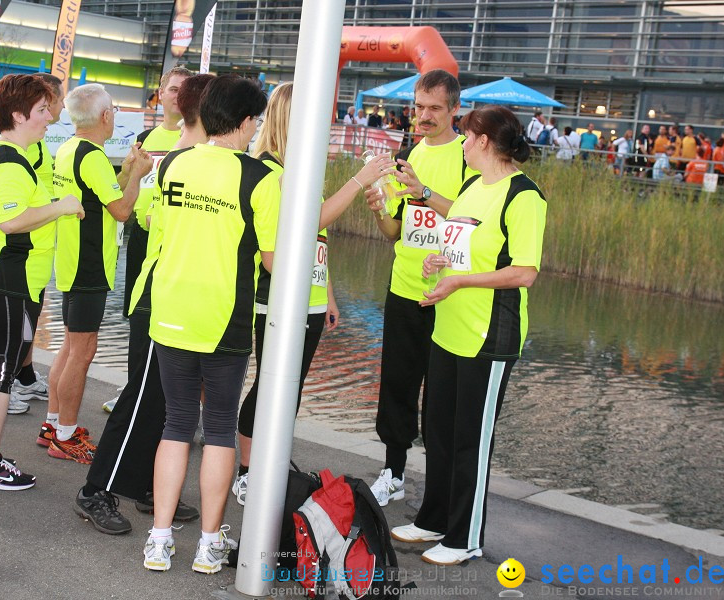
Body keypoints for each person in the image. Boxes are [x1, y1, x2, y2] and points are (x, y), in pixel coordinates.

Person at [390, 104, 546, 566]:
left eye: (467, 134)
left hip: (488, 336)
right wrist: (439, 262)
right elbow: (457, 236)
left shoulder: (524, 197)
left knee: (469, 441)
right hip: (449, 329)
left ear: (483, 141)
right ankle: (434, 519)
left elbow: (525, 272)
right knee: (437, 430)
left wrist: (461, 281)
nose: (462, 142)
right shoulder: (474, 186)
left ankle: (465, 536)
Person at [142, 75, 280, 574]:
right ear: (244, 122)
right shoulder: (260, 178)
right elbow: (272, 259)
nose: (256, 128)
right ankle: (207, 545)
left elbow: (158, 224)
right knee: (220, 428)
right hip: (224, 317)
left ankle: (158, 541)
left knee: (176, 423)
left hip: (171, 308)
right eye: (256, 120)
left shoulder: (176, 161)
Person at [232, 82, 394, 506]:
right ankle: (248, 471)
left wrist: (330, 294)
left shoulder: (299, 169)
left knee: (293, 386)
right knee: (269, 385)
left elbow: (318, 237)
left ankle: (272, 462)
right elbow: (308, 222)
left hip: (312, 296)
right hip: (277, 295)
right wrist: (359, 180)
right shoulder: (268, 169)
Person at [74, 73, 214, 536]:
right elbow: (138, 214)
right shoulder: (174, 158)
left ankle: (150, 485)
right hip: (158, 293)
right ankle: (96, 490)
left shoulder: (201, 158)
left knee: (167, 402)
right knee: (140, 397)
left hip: (184, 295)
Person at [0, 74, 84, 490]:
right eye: (42, 111)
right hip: (7, 280)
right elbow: (10, 220)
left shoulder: (15, 153)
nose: (49, 118)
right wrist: (61, 206)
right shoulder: (8, 160)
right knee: (0, 373)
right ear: (19, 115)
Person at [363, 69, 477, 507]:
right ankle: (392, 471)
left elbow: (471, 221)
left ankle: (439, 484)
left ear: (454, 110)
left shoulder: (468, 157)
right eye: (419, 106)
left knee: (443, 397)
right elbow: (396, 230)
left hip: (449, 293)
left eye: (434, 108)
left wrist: (424, 190)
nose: (424, 116)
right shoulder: (406, 152)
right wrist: (379, 209)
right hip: (405, 286)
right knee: (397, 384)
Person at [39, 84, 152, 465]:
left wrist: (124, 171)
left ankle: (53, 424)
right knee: (82, 352)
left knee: (70, 348)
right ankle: (67, 436)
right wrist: (138, 174)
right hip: (89, 264)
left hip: (71, 261)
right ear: (105, 117)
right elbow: (121, 209)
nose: (116, 116)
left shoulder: (72, 148)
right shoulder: (91, 156)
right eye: (114, 110)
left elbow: (102, 196)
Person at [115, 67, 191, 370]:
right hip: (142, 238)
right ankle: (133, 389)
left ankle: (164, 394)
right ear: (160, 94)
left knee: (172, 316)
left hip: (176, 240)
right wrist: (125, 170)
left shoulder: (196, 140)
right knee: (137, 315)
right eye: (173, 89)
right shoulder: (144, 138)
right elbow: (120, 190)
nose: (178, 96)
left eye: (185, 90)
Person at [7, 72, 66, 416]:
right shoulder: (24, 149)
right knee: (20, 325)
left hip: (40, 253)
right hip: (24, 256)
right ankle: (8, 381)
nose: (56, 108)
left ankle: (24, 376)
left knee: (31, 319)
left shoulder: (40, 145)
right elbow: (16, 209)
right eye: (50, 103)